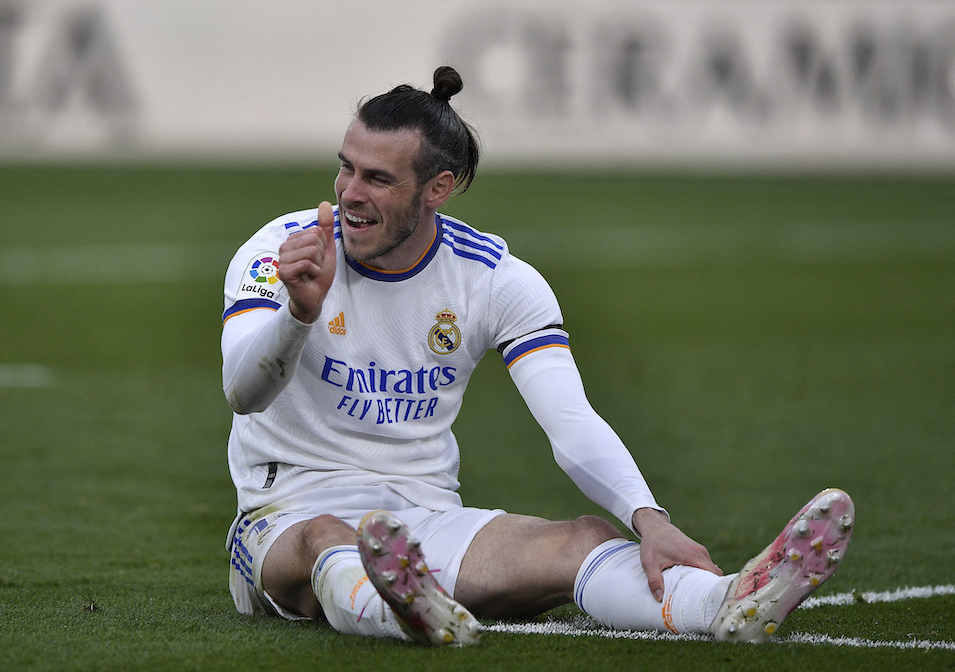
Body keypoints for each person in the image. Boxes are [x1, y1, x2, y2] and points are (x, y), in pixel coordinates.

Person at [221, 66, 854, 646]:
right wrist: (298, 316)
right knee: (328, 540)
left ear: (437, 188)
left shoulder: (495, 277)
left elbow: (569, 420)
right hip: (285, 517)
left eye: (378, 178)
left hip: (420, 521)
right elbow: (243, 393)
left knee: (585, 539)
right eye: (347, 168)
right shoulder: (282, 249)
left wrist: (649, 517)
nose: (351, 193)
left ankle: (722, 605)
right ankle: (399, 608)